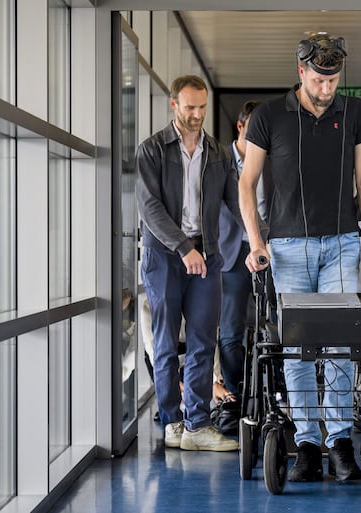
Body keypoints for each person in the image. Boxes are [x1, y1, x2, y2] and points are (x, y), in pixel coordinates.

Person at [239, 33, 361, 482]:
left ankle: (340, 441)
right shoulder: (267, 117)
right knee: (298, 348)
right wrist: (256, 244)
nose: (328, 88)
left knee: (342, 341)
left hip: (342, 242)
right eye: (320, 79)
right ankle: (305, 443)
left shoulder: (356, 113)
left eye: (334, 79)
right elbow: (247, 184)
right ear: (301, 72)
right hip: (285, 248)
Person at [136, 74, 239, 452]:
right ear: (173, 104)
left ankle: (197, 423)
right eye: (189, 107)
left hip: (207, 255)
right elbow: (149, 208)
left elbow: (235, 202)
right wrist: (183, 248)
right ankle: (172, 421)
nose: (196, 114)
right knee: (164, 343)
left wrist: (261, 240)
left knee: (202, 341)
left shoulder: (216, 152)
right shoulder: (152, 150)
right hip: (165, 256)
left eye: (201, 107)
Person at [217, 100, 264, 399]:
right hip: (232, 256)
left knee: (269, 327)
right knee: (232, 330)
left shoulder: (271, 160)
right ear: (240, 126)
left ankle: (266, 395)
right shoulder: (219, 160)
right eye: (254, 128)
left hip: (266, 255)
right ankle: (233, 394)